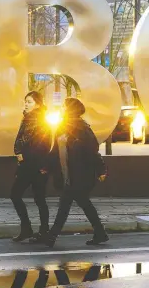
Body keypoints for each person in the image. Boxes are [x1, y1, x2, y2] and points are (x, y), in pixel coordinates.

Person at [44, 98, 109, 248]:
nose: (61, 109)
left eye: (64, 107)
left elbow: (93, 152)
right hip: (67, 175)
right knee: (84, 204)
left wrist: (101, 169)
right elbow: (56, 151)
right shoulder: (61, 127)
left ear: (70, 110)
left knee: (65, 205)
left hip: (80, 175)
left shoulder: (83, 129)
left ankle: (51, 236)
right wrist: (47, 166)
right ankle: (100, 233)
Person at [10, 91, 52, 242]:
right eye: (25, 101)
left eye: (29, 102)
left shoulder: (41, 121)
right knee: (26, 197)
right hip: (27, 165)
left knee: (33, 197)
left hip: (37, 166)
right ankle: (31, 229)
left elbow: (43, 145)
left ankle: (41, 231)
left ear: (38, 104)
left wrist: (26, 158)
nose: (26, 104)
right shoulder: (27, 120)